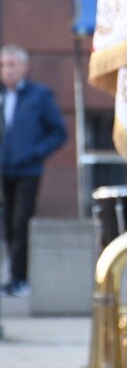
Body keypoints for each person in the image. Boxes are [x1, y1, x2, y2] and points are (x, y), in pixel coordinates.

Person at [0, 44, 67, 297]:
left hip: (28, 170)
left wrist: (35, 153)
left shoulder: (39, 96)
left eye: (12, 65)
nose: (7, 70)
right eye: (3, 65)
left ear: (24, 68)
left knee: (21, 223)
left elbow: (59, 132)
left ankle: (21, 279)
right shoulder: (3, 96)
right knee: (7, 225)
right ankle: (13, 276)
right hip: (3, 171)